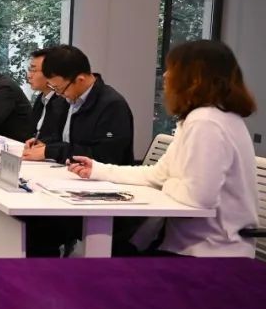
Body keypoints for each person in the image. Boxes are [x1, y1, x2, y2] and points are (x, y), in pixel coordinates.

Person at [68, 40, 258, 258]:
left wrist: (168, 183)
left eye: (173, 69)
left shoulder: (206, 122)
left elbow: (199, 198)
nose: (166, 75)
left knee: (112, 259)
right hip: (192, 243)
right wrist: (97, 170)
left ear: (195, 78)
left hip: (210, 251)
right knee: (118, 250)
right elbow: (158, 174)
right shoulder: (204, 118)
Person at [21, 45, 134, 165]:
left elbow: (105, 156)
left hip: (100, 175)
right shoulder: (66, 100)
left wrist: (51, 151)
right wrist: (45, 145)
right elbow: (63, 140)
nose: (58, 94)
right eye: (53, 88)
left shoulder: (112, 106)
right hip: (66, 170)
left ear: (80, 80)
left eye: (59, 88)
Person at [24, 47, 69, 145]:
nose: (29, 76)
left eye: (33, 70)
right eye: (29, 70)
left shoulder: (63, 101)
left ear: (50, 73)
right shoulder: (41, 98)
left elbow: (57, 139)